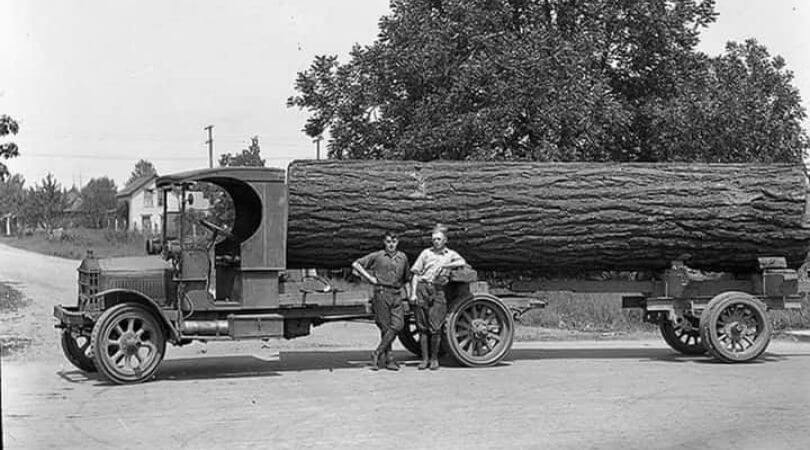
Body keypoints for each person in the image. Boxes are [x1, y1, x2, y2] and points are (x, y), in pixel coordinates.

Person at [409, 224, 466, 370]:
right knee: (422, 327)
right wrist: (413, 293)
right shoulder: (426, 253)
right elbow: (415, 273)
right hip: (423, 288)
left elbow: (462, 262)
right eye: (434, 239)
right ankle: (425, 359)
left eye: (439, 239)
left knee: (435, 327)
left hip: (438, 290)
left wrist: (447, 266)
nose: (436, 242)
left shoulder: (450, 254)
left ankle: (434, 359)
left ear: (445, 240)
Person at [352, 232, 410, 371]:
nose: (391, 244)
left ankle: (377, 353)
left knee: (398, 325)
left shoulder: (403, 257)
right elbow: (356, 264)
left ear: (398, 242)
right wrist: (370, 278)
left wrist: (409, 296)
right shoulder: (378, 256)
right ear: (385, 242)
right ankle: (389, 360)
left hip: (396, 294)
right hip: (381, 293)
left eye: (394, 241)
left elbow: (406, 278)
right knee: (385, 327)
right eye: (389, 241)